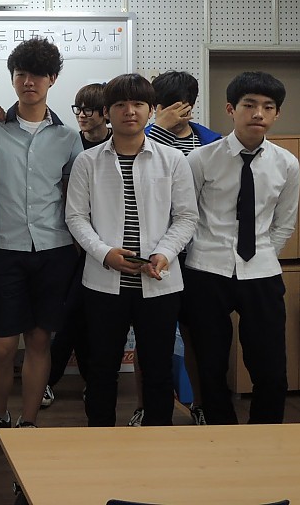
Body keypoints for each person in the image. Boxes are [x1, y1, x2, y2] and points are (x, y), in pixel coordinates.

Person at [65, 74, 198, 427]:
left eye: (138, 104)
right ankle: (101, 439)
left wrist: (164, 253)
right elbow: (76, 217)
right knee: (101, 368)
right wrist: (104, 253)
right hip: (103, 284)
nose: (129, 111)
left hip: (159, 281)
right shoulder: (88, 161)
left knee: (157, 368)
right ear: (107, 111)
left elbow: (187, 217)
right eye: (120, 104)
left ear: (151, 110)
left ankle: (157, 439)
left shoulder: (172, 160)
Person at [0, 38, 82, 455]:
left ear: (52, 79)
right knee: (1, 345)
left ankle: (29, 421)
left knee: (39, 342)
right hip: (2, 249)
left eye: (37, 74)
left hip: (54, 250)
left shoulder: (68, 137)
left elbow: (74, 194)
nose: (28, 82)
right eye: (21, 74)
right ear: (13, 78)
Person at [184, 71, 299, 425]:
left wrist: (263, 254)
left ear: (277, 113)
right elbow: (186, 216)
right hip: (207, 270)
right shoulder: (201, 159)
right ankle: (221, 434)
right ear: (231, 109)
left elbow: (284, 223)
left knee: (271, 369)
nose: (258, 114)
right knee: (210, 364)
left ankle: (265, 436)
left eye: (268, 107)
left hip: (261, 273)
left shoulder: (287, 163)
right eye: (249, 105)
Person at [126, 70, 222, 427]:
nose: (169, 111)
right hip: (153, 255)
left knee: (198, 336)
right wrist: (159, 129)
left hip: (198, 256)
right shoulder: (146, 138)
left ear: (190, 106)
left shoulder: (210, 144)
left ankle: (199, 404)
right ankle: (145, 405)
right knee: (149, 340)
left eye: (178, 105)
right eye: (163, 105)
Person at [43, 83, 110, 408]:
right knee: (72, 313)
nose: (82, 115)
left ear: (105, 113)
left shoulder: (116, 145)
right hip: (69, 243)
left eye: (89, 109)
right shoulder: (71, 142)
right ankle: (77, 380)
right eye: (78, 108)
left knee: (82, 315)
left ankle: (60, 379)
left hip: (105, 244)